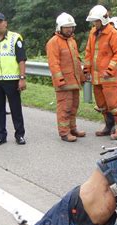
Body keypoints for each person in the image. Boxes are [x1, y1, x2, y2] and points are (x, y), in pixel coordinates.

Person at [0, 12, 27, 146]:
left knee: (15, 108)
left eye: (0, 21)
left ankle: (19, 135)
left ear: (5, 23)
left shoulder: (15, 38)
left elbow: (21, 60)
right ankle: (0, 135)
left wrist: (22, 78)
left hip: (12, 79)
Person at [84, 5, 117, 140]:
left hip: (109, 77)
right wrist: (86, 70)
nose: (94, 24)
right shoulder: (93, 32)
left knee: (114, 104)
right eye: (93, 21)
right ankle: (108, 126)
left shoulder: (113, 33)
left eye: (96, 21)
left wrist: (110, 70)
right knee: (102, 104)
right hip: (96, 77)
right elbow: (89, 52)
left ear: (103, 20)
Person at [46, 12, 86, 142]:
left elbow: (77, 61)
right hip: (63, 83)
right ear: (60, 28)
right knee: (65, 108)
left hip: (74, 81)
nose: (69, 29)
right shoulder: (53, 42)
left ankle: (72, 128)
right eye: (66, 27)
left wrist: (81, 77)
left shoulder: (72, 41)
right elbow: (54, 63)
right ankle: (64, 132)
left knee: (74, 107)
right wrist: (60, 80)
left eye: (71, 27)